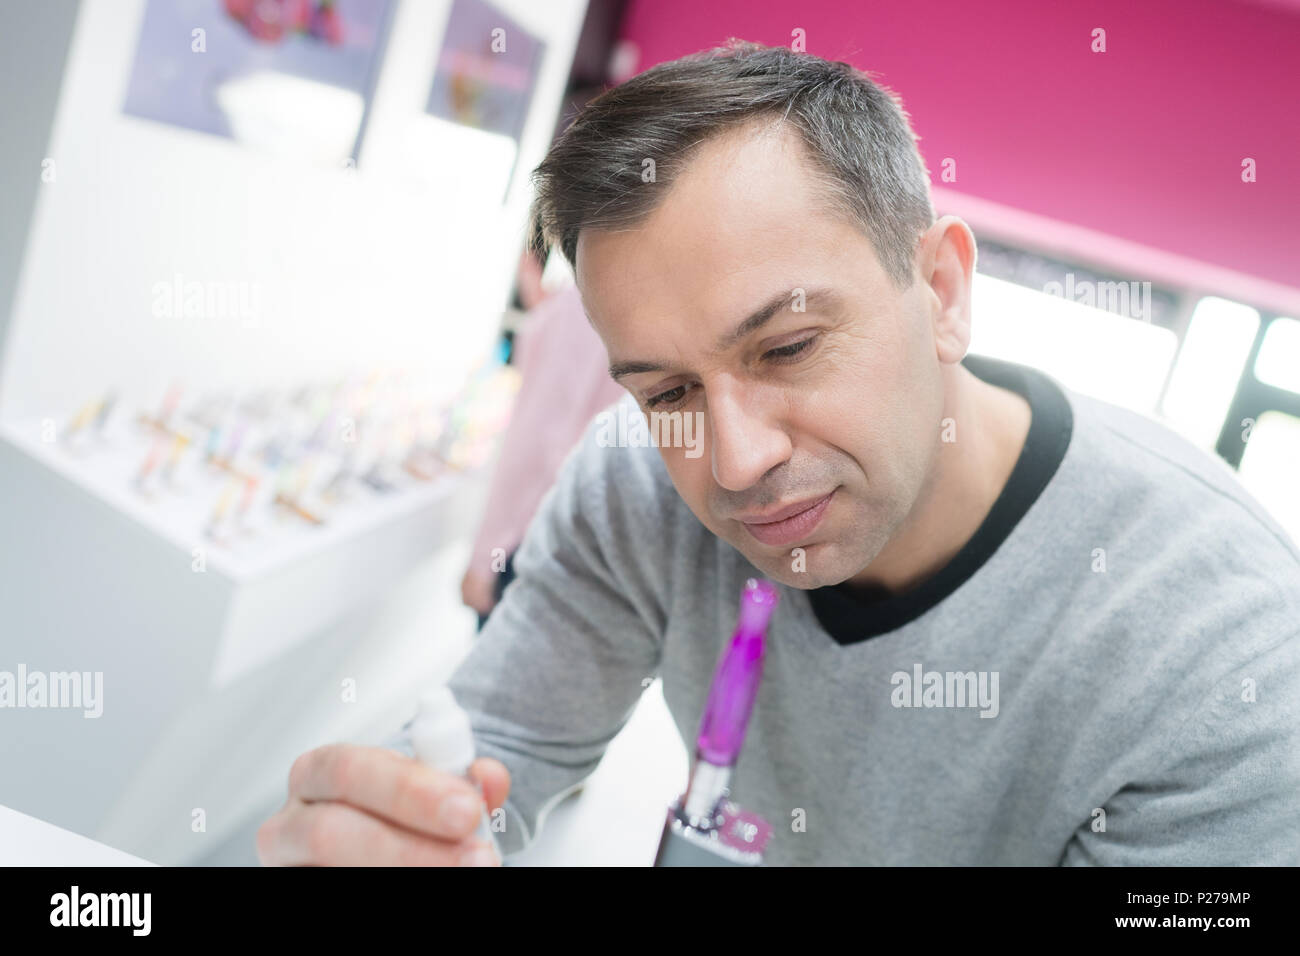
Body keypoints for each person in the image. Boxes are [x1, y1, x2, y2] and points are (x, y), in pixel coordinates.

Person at [258, 42, 1300, 866]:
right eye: (667, 389)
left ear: (940, 290)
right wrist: (398, 824)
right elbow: (496, 752)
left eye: (789, 346)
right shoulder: (633, 480)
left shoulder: (1224, 648)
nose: (736, 460)